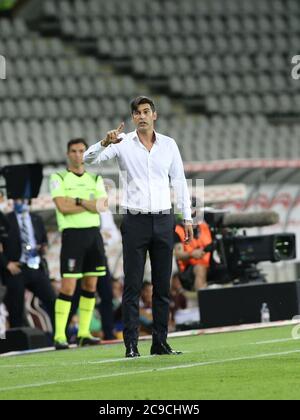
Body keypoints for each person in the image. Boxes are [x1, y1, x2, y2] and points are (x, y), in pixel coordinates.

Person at [84, 96, 193, 357]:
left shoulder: (168, 145)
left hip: (165, 219)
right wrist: (104, 142)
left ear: (154, 115)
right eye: (137, 113)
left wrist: (187, 217)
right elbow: (89, 159)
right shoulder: (121, 143)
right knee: (132, 285)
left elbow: (179, 182)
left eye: (146, 111)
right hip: (135, 221)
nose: (142, 116)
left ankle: (160, 342)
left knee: (162, 286)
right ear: (133, 118)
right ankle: (131, 345)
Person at [50, 138, 108, 350]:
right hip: (72, 236)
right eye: (73, 151)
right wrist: (88, 204)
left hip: (93, 235)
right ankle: (59, 336)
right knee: (68, 287)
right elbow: (62, 207)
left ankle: (84, 333)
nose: (78, 155)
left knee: (91, 285)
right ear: (68, 154)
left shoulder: (95, 178)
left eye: (81, 151)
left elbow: (102, 206)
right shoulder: (58, 177)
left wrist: (77, 200)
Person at [1, 199, 56, 329]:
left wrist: (42, 248)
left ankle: (60, 334)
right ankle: (17, 342)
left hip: (35, 267)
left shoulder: (36, 219)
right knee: (16, 308)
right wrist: (7, 264)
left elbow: (43, 241)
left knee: (52, 301)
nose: (19, 202)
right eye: (16, 199)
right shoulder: (6, 219)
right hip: (16, 269)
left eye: (22, 199)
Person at [174, 215, 213, 292]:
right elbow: (178, 254)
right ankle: (202, 301)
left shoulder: (204, 226)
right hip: (189, 269)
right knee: (200, 269)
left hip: (209, 264)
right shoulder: (179, 230)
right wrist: (192, 254)